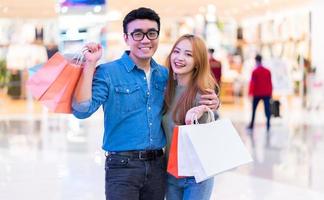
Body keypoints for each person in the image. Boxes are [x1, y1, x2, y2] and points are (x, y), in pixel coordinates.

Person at [71, 7, 219, 200]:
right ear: (126, 38)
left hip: (158, 167)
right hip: (122, 167)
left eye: (151, 33)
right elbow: (81, 110)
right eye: (137, 34)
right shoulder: (108, 73)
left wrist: (214, 102)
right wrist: (90, 65)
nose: (145, 40)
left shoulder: (164, 75)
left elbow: (191, 89)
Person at [162, 34, 220, 200]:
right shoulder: (166, 89)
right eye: (177, 51)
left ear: (198, 62)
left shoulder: (203, 94)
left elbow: (211, 123)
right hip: (171, 172)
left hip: (197, 176)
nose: (180, 58)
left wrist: (206, 111)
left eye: (188, 54)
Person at [247, 54, 273, 132]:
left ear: (256, 61)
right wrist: (270, 93)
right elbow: (270, 83)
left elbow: (252, 83)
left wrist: (250, 93)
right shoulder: (268, 71)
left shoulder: (255, 71)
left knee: (254, 110)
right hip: (266, 93)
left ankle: (251, 125)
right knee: (267, 109)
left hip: (257, 94)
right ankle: (268, 125)